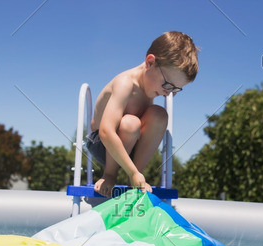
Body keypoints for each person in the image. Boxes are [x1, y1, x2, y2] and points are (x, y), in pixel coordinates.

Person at [85, 31, 199, 197]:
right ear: (150, 62)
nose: (169, 94)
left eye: (176, 89)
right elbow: (106, 131)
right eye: (168, 85)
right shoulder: (125, 83)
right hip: (102, 144)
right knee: (130, 123)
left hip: (131, 146)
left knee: (160, 115)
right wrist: (129, 172)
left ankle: (135, 177)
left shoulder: (151, 85)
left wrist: (134, 173)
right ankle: (110, 174)